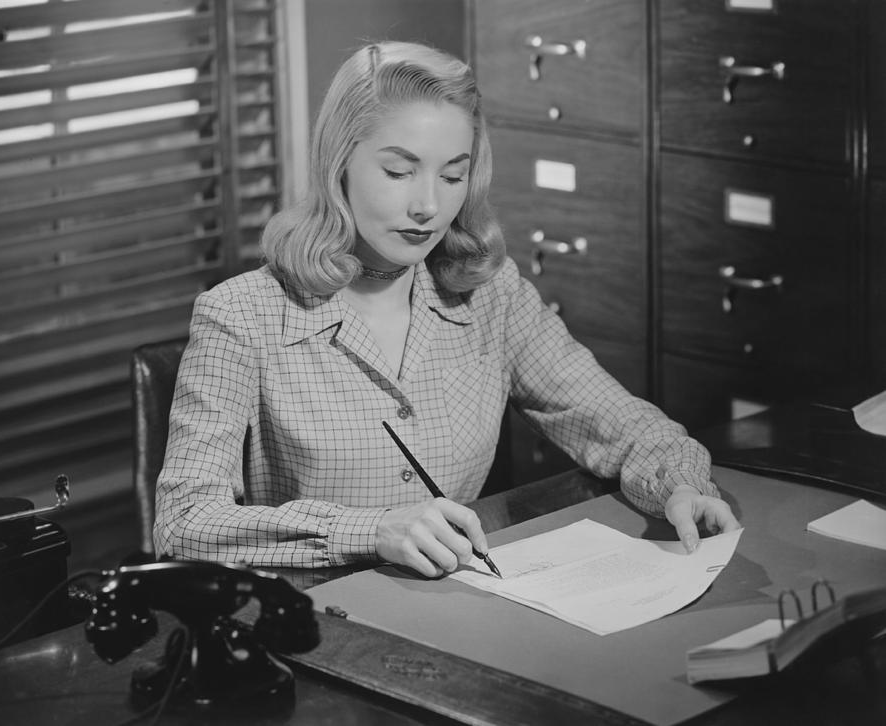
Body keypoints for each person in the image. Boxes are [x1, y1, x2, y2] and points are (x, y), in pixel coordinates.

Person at [153, 41, 739, 577]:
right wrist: (370, 531)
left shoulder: (492, 295)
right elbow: (183, 524)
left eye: (452, 174)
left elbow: (619, 423)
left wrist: (679, 485)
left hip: (459, 611)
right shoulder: (240, 315)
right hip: (310, 628)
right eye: (398, 171)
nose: (428, 205)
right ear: (340, 166)